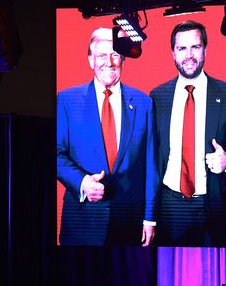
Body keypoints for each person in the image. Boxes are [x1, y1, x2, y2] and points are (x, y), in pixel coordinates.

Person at [150, 20, 226, 247]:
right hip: (170, 206)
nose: (189, 55)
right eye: (181, 48)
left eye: (195, 47)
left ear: (205, 49)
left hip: (213, 205)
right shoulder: (157, 97)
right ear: (173, 54)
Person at [57, 27, 158, 246]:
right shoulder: (67, 100)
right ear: (90, 60)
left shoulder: (144, 103)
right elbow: (56, 155)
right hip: (82, 221)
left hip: (129, 222)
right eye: (102, 55)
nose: (109, 62)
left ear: (123, 59)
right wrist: (82, 182)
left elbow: (151, 166)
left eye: (115, 55)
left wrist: (150, 217)